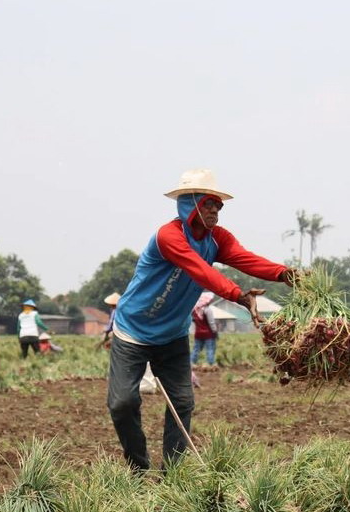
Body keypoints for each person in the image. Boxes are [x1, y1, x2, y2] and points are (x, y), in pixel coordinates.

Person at [107, 168, 297, 472]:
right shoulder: (168, 237)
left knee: (182, 401)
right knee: (122, 403)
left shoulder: (216, 239)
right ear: (190, 203)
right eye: (209, 203)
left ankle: (174, 473)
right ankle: (138, 468)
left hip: (172, 334)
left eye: (219, 206)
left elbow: (246, 258)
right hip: (133, 331)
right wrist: (238, 295)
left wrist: (284, 274)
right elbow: (200, 270)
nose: (215, 211)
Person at [191, 293, 219, 367]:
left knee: (196, 349)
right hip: (208, 334)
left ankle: (192, 362)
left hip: (198, 333)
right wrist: (215, 332)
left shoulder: (195, 311)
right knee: (210, 348)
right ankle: (210, 363)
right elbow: (211, 323)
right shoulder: (207, 310)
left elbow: (193, 321)